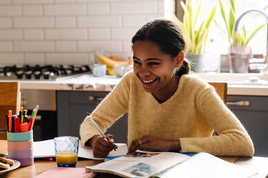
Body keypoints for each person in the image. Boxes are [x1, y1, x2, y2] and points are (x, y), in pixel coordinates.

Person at [80, 19, 254, 158]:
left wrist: (172, 144)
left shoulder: (198, 91)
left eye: (153, 63)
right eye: (137, 62)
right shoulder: (131, 83)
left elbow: (242, 143)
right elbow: (92, 123)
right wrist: (95, 140)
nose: (142, 72)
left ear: (178, 60)